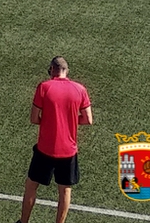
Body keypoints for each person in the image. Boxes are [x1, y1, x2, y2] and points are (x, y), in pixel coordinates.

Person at [17, 57, 93, 223]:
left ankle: (23, 221)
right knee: (65, 190)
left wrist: (49, 120)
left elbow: (34, 118)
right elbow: (88, 119)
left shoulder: (44, 87)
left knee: (31, 185)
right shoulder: (80, 89)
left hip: (45, 148)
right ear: (67, 70)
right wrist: (70, 120)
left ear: (52, 69)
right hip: (68, 150)